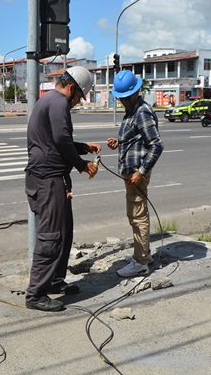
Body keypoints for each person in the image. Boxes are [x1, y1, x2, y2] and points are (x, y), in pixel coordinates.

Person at [25, 65, 100, 312]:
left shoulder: (49, 100)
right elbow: (60, 140)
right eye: (79, 97)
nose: (77, 103)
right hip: (48, 180)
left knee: (64, 232)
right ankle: (36, 294)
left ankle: (55, 281)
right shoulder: (58, 103)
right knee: (51, 237)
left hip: (50, 178)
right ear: (71, 88)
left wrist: (83, 147)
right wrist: (82, 165)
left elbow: (57, 141)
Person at [107, 70, 163, 278]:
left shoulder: (142, 111)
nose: (122, 102)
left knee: (138, 216)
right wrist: (119, 142)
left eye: (125, 98)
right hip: (130, 173)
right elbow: (136, 138)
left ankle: (140, 262)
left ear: (136, 92)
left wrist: (141, 172)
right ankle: (143, 255)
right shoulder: (132, 111)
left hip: (136, 174)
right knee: (135, 214)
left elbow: (156, 145)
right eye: (120, 98)